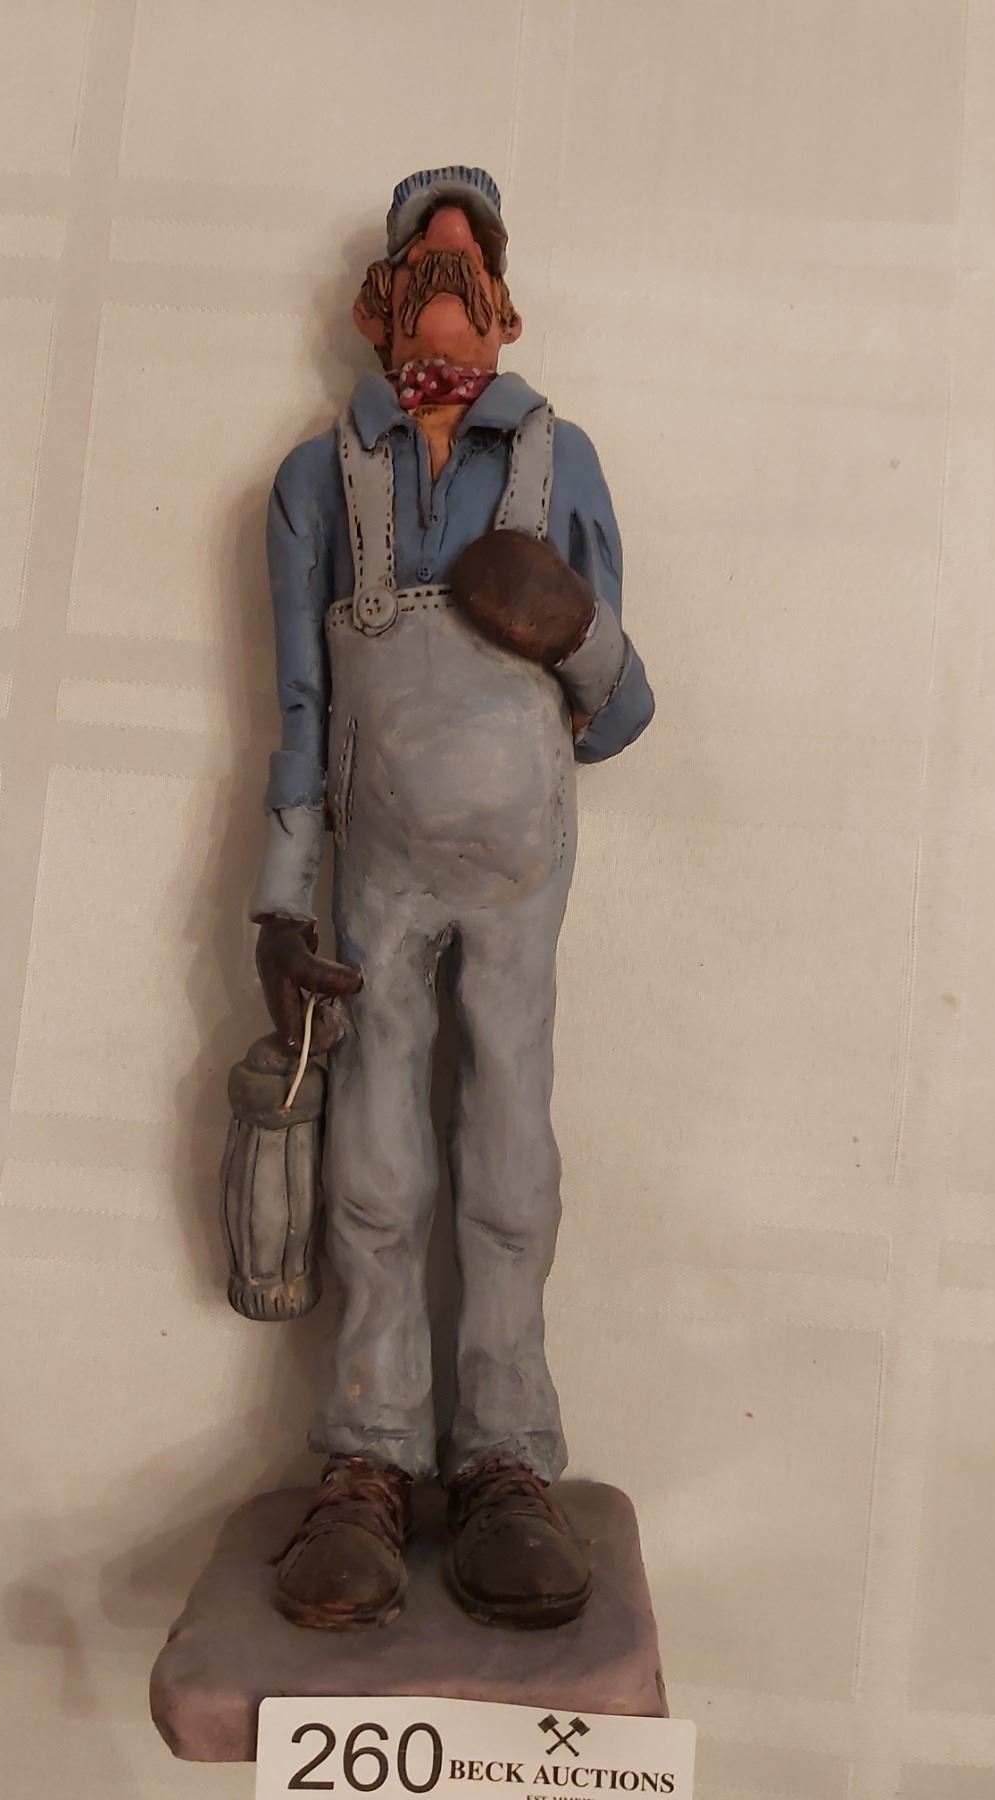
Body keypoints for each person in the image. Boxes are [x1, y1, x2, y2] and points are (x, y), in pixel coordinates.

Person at [251, 166, 654, 1630]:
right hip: (377, 868)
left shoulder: (562, 462)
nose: (447, 263)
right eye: (425, 251)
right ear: (380, 302)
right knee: (371, 1153)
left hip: (519, 870)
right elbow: (300, 708)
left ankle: (503, 1458)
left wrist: (575, 629)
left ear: (503, 304)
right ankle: (366, 1455)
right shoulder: (317, 481)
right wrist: (281, 900)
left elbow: (620, 713)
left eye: (470, 254)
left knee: (507, 1150)